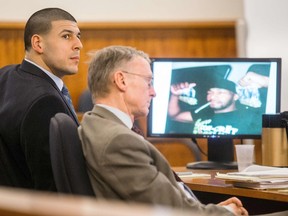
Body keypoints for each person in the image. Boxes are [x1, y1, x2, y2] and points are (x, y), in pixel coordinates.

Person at [78, 45, 248, 215]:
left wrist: (213, 209)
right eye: (148, 82)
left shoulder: (94, 123)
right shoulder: (119, 141)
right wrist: (226, 212)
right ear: (121, 80)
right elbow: (171, 210)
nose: (153, 92)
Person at [0, 8, 82, 191]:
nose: (78, 45)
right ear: (38, 43)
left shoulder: (6, 74)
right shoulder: (46, 102)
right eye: (66, 36)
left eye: (78, 36)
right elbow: (53, 188)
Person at [168, 79, 250, 135]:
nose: (212, 97)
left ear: (235, 97)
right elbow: (174, 116)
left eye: (220, 92)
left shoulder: (246, 118)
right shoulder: (203, 113)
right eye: (210, 93)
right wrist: (175, 95)